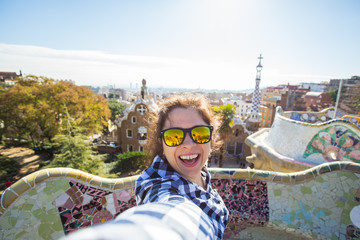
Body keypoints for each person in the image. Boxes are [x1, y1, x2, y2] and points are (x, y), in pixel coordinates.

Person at [135, 93, 229, 239]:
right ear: (161, 142)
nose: (189, 145)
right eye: (174, 136)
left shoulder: (202, 174)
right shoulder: (158, 187)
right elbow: (168, 211)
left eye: (200, 133)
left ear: (211, 136)